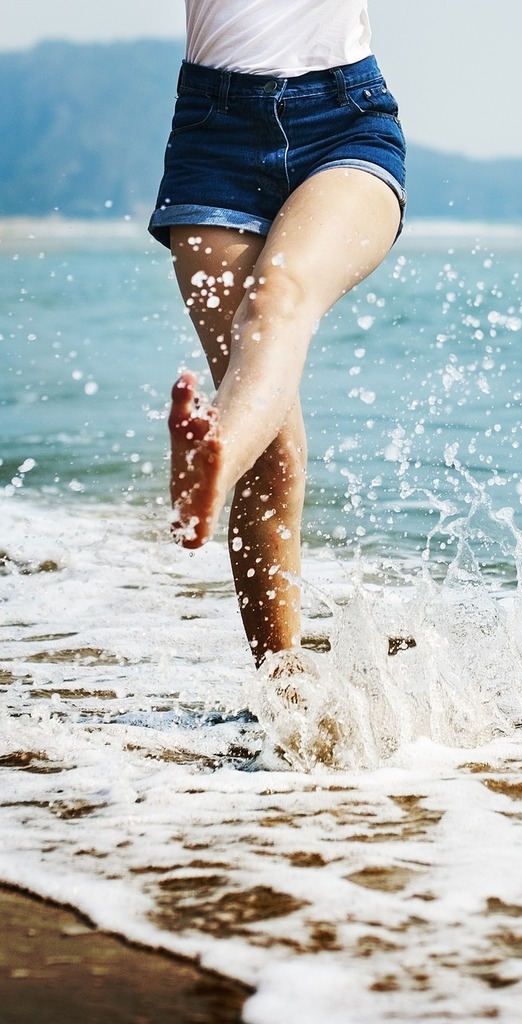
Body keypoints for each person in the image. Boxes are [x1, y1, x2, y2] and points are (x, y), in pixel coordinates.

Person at [148, 0, 406, 667]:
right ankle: (284, 689)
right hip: (213, 140)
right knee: (276, 452)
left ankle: (209, 468)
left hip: (344, 123)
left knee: (278, 298)